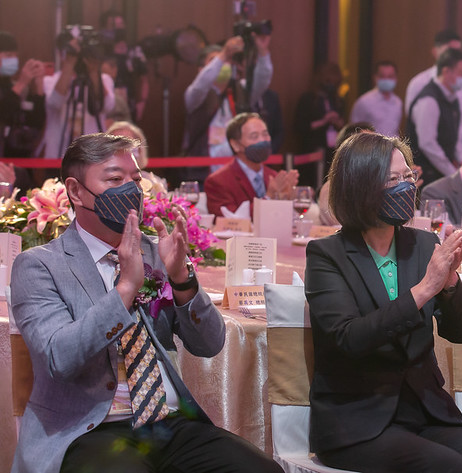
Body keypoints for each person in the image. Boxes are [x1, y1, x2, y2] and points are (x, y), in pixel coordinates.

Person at [10, 133, 283, 473]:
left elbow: (210, 344)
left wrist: (182, 280)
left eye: (135, 180)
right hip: (88, 429)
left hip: (168, 422)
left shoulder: (157, 252)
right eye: (115, 180)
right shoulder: (40, 265)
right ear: (76, 191)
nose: (131, 190)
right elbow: (59, 358)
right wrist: (125, 288)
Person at [304, 132, 462, 473]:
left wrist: (449, 283)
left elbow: (461, 332)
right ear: (359, 186)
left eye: (408, 177)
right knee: (450, 468)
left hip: (424, 408)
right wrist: (425, 288)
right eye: (392, 180)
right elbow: (348, 338)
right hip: (357, 418)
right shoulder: (327, 255)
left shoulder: (422, 244)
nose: (405, 187)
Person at [181, 32, 273, 183]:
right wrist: (224, 54)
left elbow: (263, 79)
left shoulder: (239, 90)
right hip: (203, 173)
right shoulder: (196, 96)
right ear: (201, 70)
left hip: (239, 172)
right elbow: (200, 85)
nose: (222, 64)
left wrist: (262, 51)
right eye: (214, 61)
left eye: (226, 61)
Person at [405, 30, 462, 165]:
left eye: (457, 51)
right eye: (449, 50)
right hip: (426, 158)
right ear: (435, 52)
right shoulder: (419, 83)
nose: (453, 55)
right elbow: (417, 127)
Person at [204, 112, 298, 217]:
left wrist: (286, 197)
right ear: (235, 145)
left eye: (265, 134)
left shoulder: (273, 176)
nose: (262, 140)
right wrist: (269, 197)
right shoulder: (218, 181)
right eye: (254, 136)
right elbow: (229, 220)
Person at [43, 33, 116, 159]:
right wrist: (69, 64)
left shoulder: (104, 80)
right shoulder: (51, 80)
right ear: (60, 53)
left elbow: (107, 106)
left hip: (93, 155)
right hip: (58, 154)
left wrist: (94, 71)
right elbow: (55, 102)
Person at [407, 48, 462, 183]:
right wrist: (452, 173)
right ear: (446, 71)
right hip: (426, 175)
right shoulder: (429, 100)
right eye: (461, 74)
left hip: (442, 172)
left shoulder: (452, 98)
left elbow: (453, 137)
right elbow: (427, 144)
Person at [0, 30, 46, 159]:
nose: (12, 60)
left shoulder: (18, 89)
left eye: (15, 56)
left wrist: (39, 84)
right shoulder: (19, 87)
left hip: (19, 159)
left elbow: (36, 122)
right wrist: (21, 83)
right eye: (8, 55)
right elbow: (3, 112)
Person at [106, 120, 167, 194]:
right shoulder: (101, 182)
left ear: (139, 150)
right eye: (117, 144)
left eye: (128, 145)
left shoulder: (155, 183)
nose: (122, 150)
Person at [349, 60, 403, 137]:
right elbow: (354, 130)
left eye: (390, 76)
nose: (386, 80)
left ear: (396, 78)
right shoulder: (364, 102)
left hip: (392, 143)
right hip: (371, 144)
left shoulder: (398, 102)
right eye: (382, 76)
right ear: (375, 77)